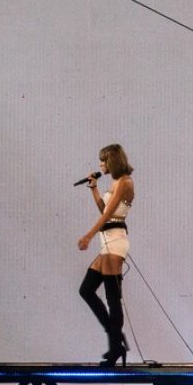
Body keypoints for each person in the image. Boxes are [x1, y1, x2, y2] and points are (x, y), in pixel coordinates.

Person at [76, 143, 136, 365]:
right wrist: (94, 189)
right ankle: (116, 339)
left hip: (115, 240)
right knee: (86, 290)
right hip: (107, 240)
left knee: (112, 297)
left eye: (103, 160)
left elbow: (108, 215)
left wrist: (87, 236)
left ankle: (115, 348)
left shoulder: (125, 182)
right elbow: (104, 209)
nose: (100, 164)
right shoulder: (114, 182)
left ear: (112, 161)